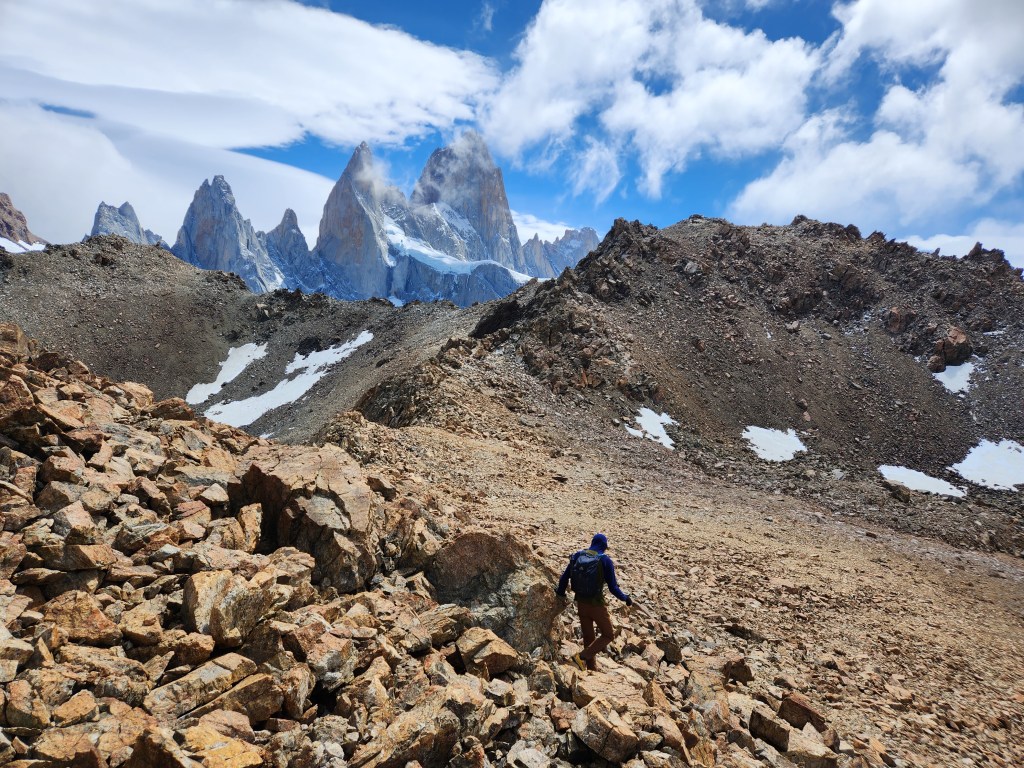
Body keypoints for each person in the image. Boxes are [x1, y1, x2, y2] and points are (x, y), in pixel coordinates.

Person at [555, 533, 633, 671]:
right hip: (596, 604)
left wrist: (560, 593)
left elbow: (564, 577)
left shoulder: (578, 555)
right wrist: (625, 598)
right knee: (608, 634)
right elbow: (613, 587)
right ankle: (581, 657)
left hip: (580, 603)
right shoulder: (605, 560)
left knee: (588, 638)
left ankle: (591, 669)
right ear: (604, 546)